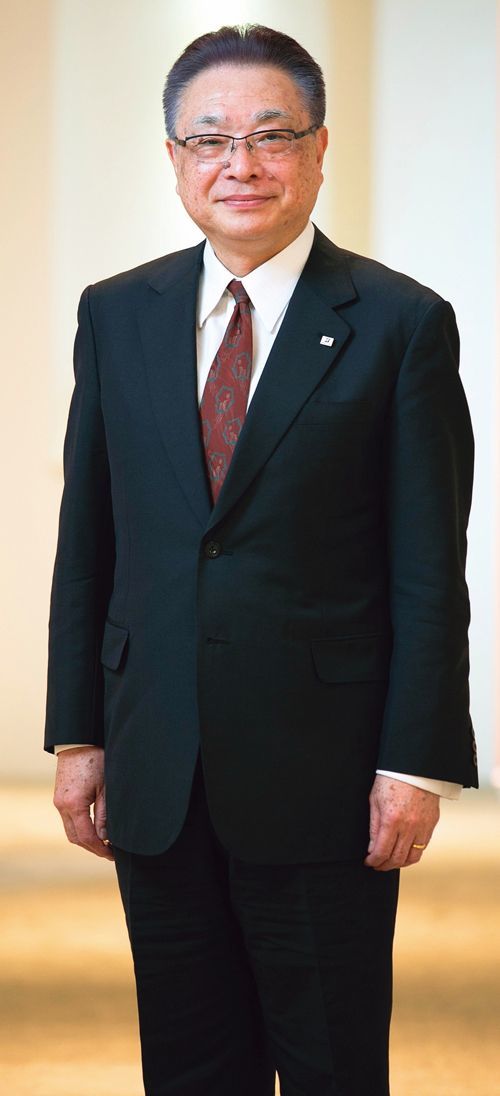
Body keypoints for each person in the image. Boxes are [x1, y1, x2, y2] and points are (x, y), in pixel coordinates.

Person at [45, 24, 478, 1096]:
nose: (240, 163)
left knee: (331, 1062)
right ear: (175, 158)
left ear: (319, 149)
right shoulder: (117, 314)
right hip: (157, 765)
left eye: (271, 135)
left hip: (325, 775)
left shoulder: (398, 324)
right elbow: (88, 538)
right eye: (210, 139)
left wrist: (413, 762)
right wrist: (78, 732)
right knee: (189, 1066)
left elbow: (429, 567)